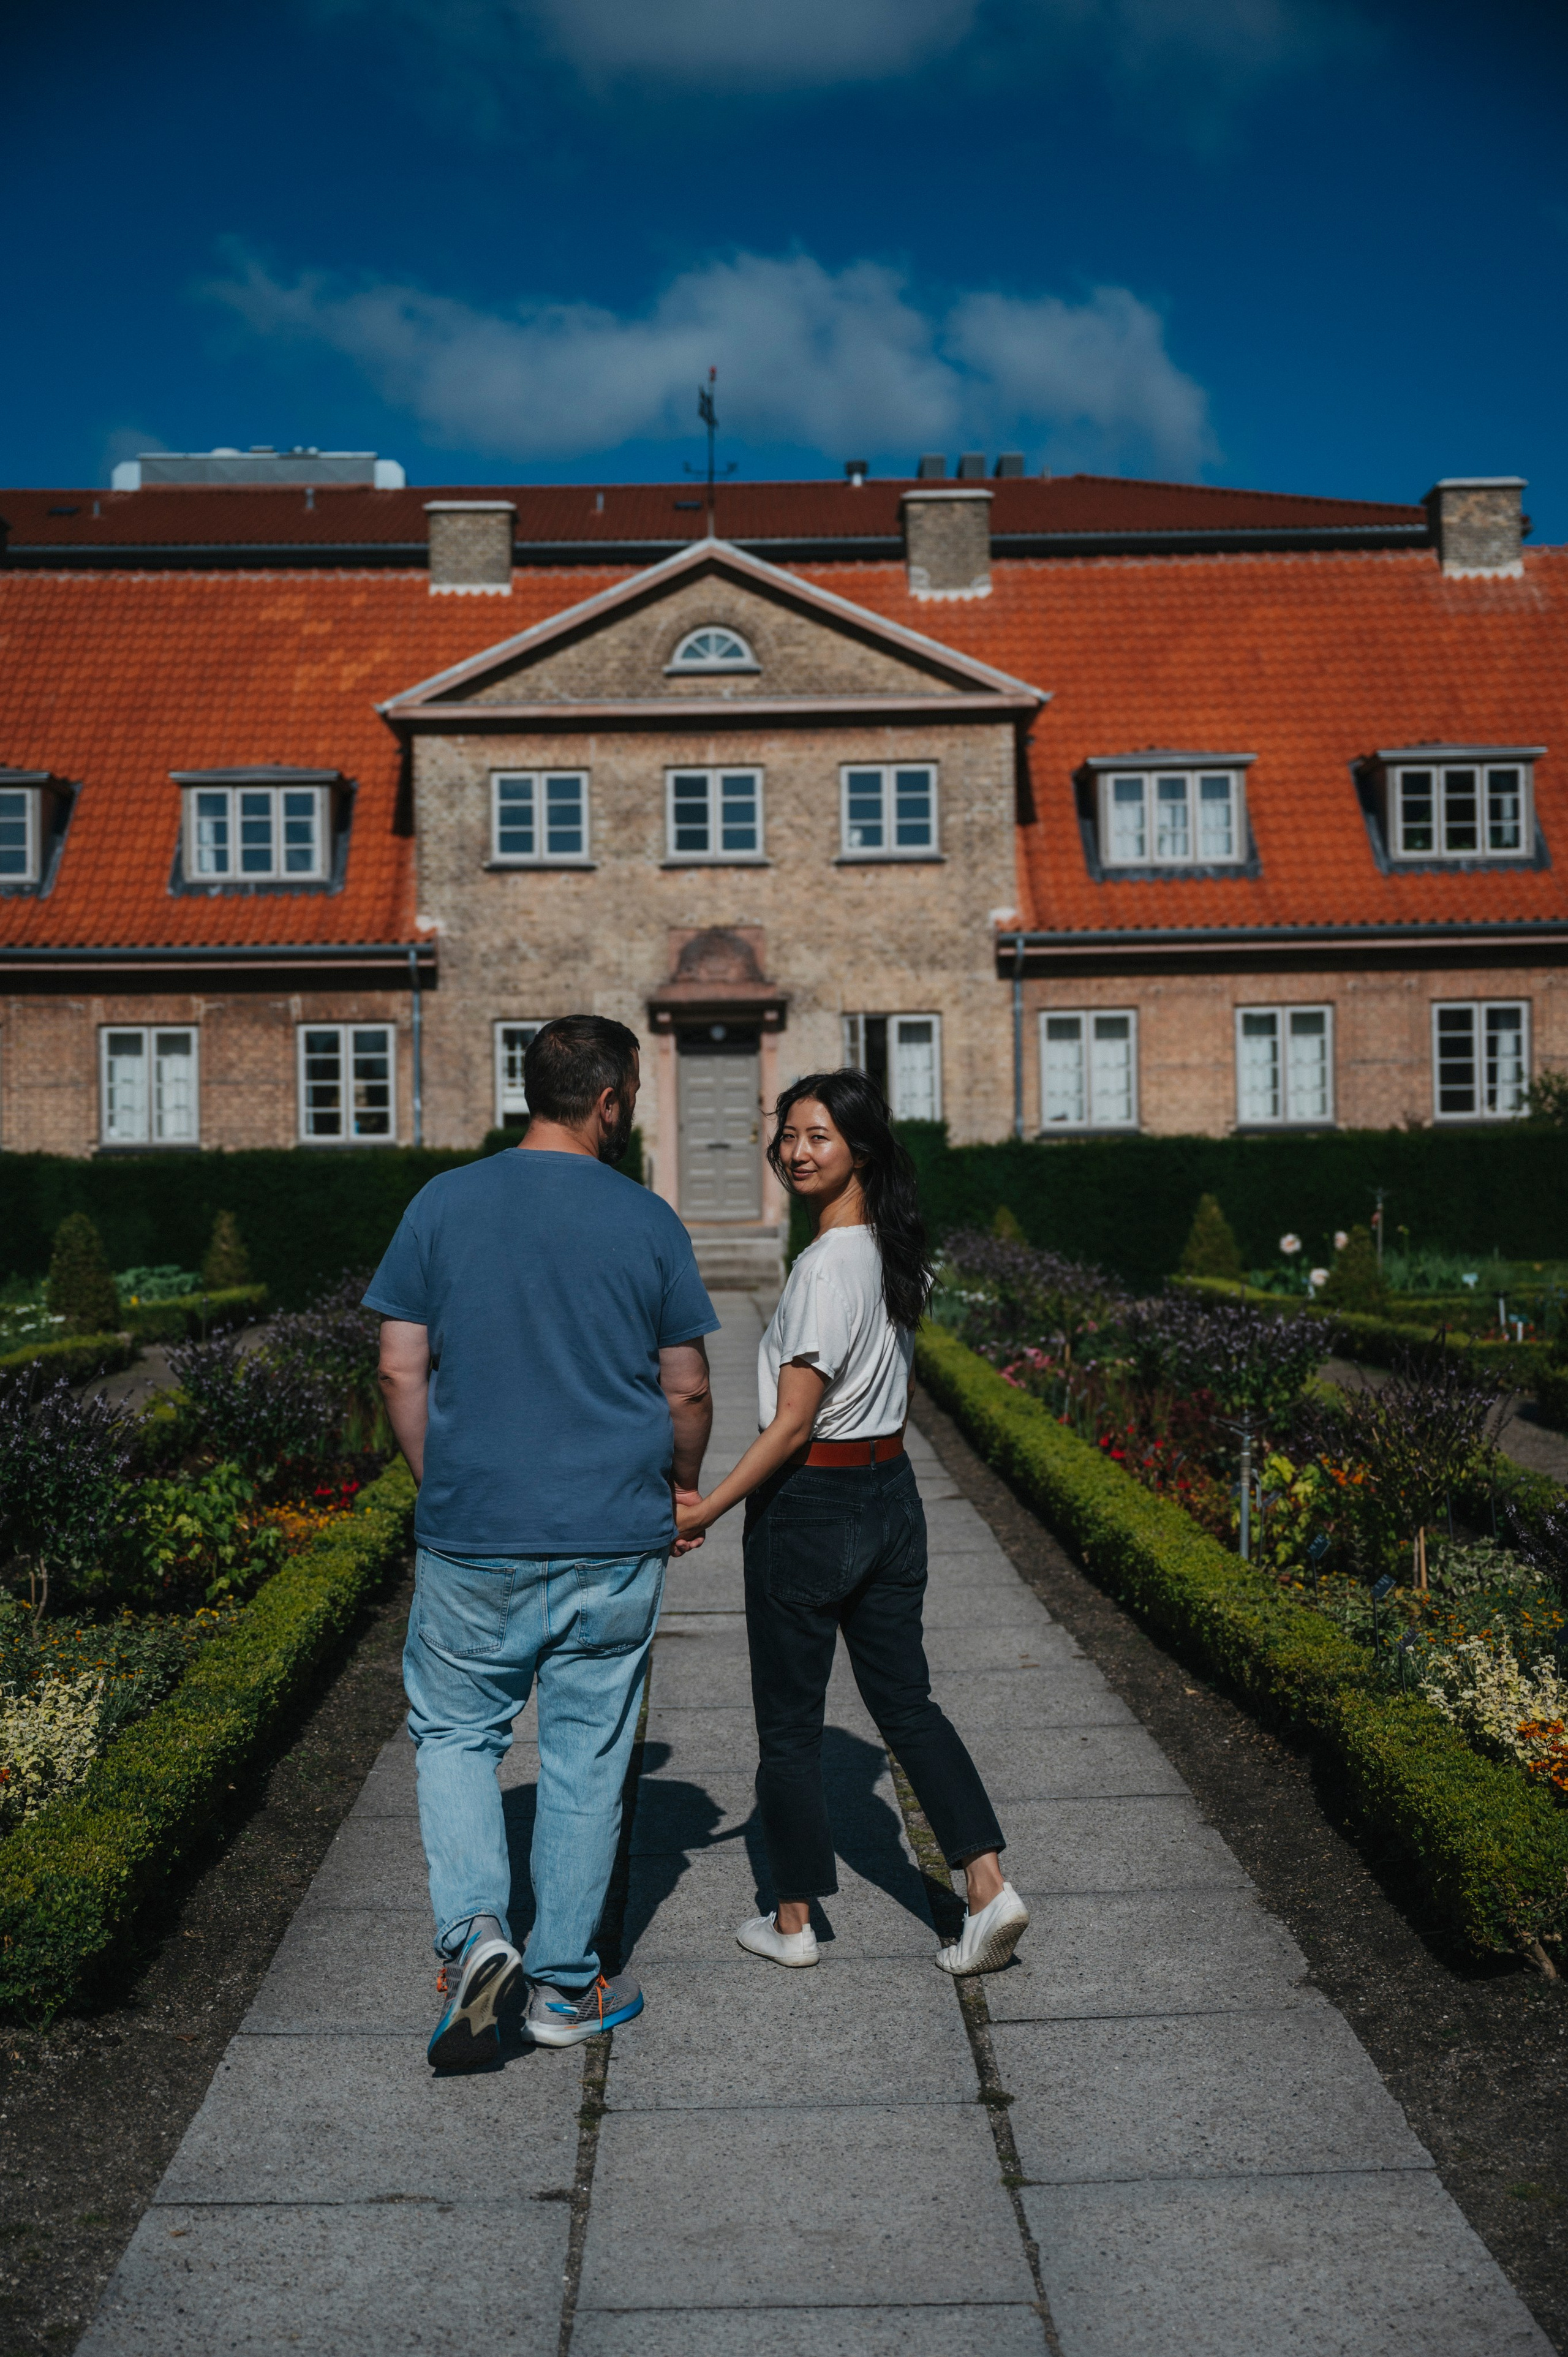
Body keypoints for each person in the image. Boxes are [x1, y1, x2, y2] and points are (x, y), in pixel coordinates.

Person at [366, 1016, 717, 2069]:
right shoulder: (648, 1220)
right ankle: (565, 1988)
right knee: (585, 1755)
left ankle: (474, 1934)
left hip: (475, 1532)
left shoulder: (441, 1202)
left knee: (460, 1736)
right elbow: (688, 1385)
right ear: (608, 1100)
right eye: (635, 1094)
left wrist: (447, 1481)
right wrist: (685, 1485)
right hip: (612, 1534)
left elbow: (398, 1366)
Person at [676, 1068, 1027, 1976]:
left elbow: (793, 1422)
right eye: (788, 1134)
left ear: (860, 1150)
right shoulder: (892, 1250)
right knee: (906, 1703)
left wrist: (708, 1506)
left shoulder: (827, 1266)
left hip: (812, 1508)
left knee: (790, 1726)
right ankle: (987, 1887)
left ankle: (794, 1923)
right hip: (889, 1494)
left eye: (818, 1136)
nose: (796, 1151)